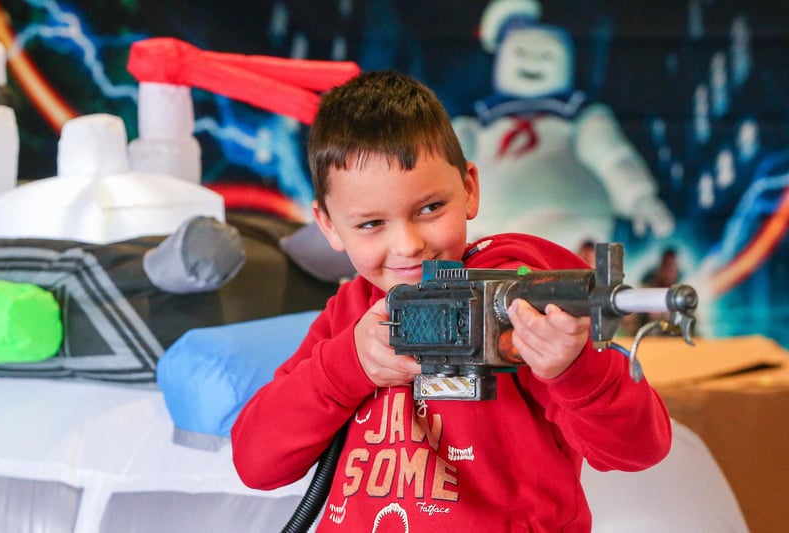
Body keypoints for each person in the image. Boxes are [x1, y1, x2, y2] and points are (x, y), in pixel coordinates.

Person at [231, 71, 671, 531]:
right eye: (370, 224)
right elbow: (257, 463)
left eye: (429, 209)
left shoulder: (516, 303)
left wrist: (573, 367)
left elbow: (638, 449)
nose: (408, 245)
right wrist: (345, 369)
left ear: (469, 189)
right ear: (327, 226)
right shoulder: (349, 313)